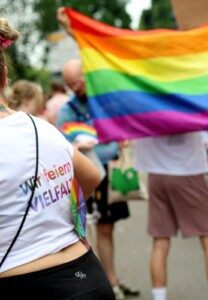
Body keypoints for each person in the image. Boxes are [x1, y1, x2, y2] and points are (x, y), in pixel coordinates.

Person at [0, 17, 115, 299]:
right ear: (3, 76)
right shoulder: (42, 128)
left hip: (27, 284)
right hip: (90, 276)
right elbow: (91, 177)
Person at [56, 57, 139, 299]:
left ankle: (112, 281)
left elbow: (122, 127)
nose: (75, 87)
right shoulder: (67, 111)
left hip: (109, 172)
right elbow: (62, 145)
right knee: (88, 232)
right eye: (70, 84)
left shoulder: (105, 101)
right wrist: (78, 145)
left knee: (106, 229)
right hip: (84, 177)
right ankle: (102, 285)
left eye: (78, 81)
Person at [135, 132, 208, 300]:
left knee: (160, 241)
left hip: (156, 174)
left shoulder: (151, 106)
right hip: (188, 170)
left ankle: (159, 297)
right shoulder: (188, 105)